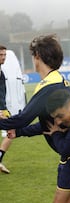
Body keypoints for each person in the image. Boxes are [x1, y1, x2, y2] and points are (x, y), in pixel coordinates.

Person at [2, 35, 70, 203]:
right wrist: (20, 132)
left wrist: (15, 126)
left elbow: (22, 118)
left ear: (37, 56)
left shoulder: (50, 86)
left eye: (33, 55)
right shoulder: (56, 80)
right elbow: (50, 124)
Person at [0, 45, 11, 173]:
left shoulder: (1, 70)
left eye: (4, 55)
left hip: (3, 108)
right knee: (12, 130)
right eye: (0, 55)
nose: (3, 58)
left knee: (12, 131)